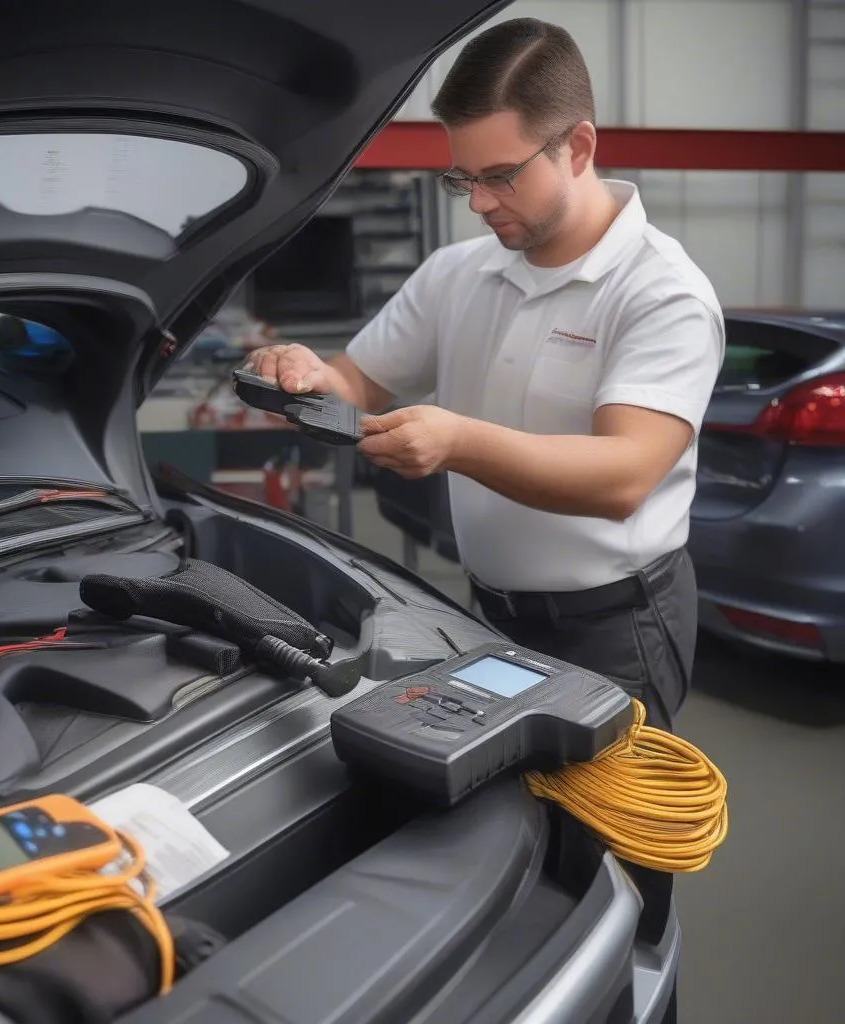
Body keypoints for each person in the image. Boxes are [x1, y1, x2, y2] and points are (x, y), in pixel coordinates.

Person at [245, 17, 723, 1008]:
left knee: (608, 881)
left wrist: (457, 440)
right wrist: (305, 371)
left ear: (578, 146)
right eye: (462, 180)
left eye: (501, 175)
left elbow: (624, 471)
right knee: (494, 858)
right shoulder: (459, 275)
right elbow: (355, 381)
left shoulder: (660, 292)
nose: (482, 204)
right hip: (485, 619)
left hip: (615, 631)